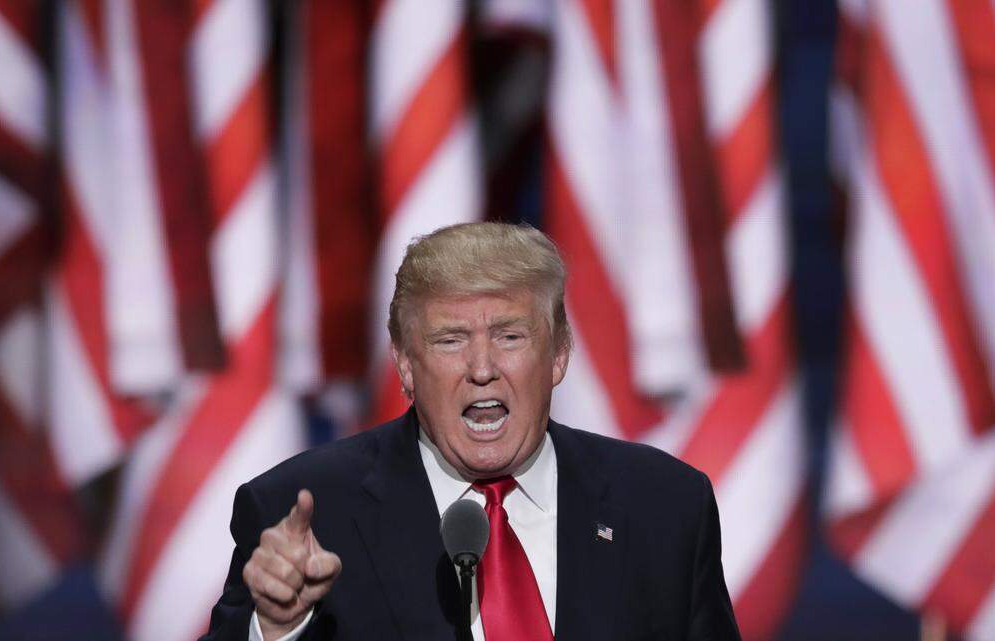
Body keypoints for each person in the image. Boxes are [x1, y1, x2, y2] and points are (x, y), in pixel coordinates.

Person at [199, 222, 741, 641]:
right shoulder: (309, 516)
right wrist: (275, 628)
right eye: (450, 340)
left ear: (558, 354)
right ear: (406, 365)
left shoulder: (664, 507)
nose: (482, 367)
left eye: (510, 336)